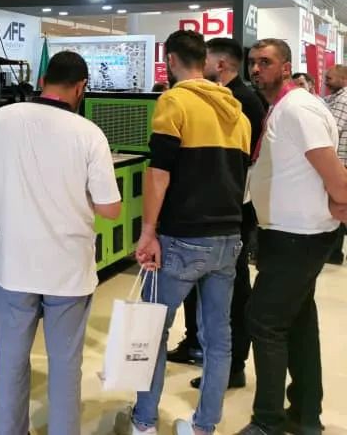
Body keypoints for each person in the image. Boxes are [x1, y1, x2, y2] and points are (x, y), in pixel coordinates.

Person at [0, 51, 121, 435]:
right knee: (66, 364)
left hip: (13, 264)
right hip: (68, 270)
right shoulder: (89, 134)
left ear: (42, 81)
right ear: (81, 87)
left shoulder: (1, 119)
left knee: (10, 361)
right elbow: (110, 209)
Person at [115, 30, 250, 435]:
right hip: (228, 238)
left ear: (171, 60)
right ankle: (204, 426)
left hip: (182, 237)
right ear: (204, 62)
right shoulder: (238, 113)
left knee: (153, 330)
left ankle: (144, 421)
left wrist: (148, 231)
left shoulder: (174, 101)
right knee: (218, 338)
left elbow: (159, 173)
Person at [235, 40, 347, 435]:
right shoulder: (285, 107)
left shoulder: (297, 109)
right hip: (290, 232)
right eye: (253, 62)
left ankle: (267, 422)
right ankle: (305, 415)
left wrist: (339, 200)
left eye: (265, 62)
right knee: (297, 321)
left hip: (297, 237)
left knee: (264, 321)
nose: (256, 69)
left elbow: (334, 173)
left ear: (286, 68)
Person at [168, 38, 266, 392]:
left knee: (231, 295)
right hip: (214, 212)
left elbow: (238, 163)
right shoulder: (224, 97)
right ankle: (196, 342)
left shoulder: (241, 101)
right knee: (205, 291)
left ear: (219, 63)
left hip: (227, 213)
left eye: (205, 58)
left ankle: (233, 364)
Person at [323, 65, 347, 265]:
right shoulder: (335, 98)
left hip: (341, 162)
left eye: (329, 78)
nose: (325, 82)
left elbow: (333, 130)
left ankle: (334, 253)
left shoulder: (343, 99)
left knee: (339, 208)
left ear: (344, 79)